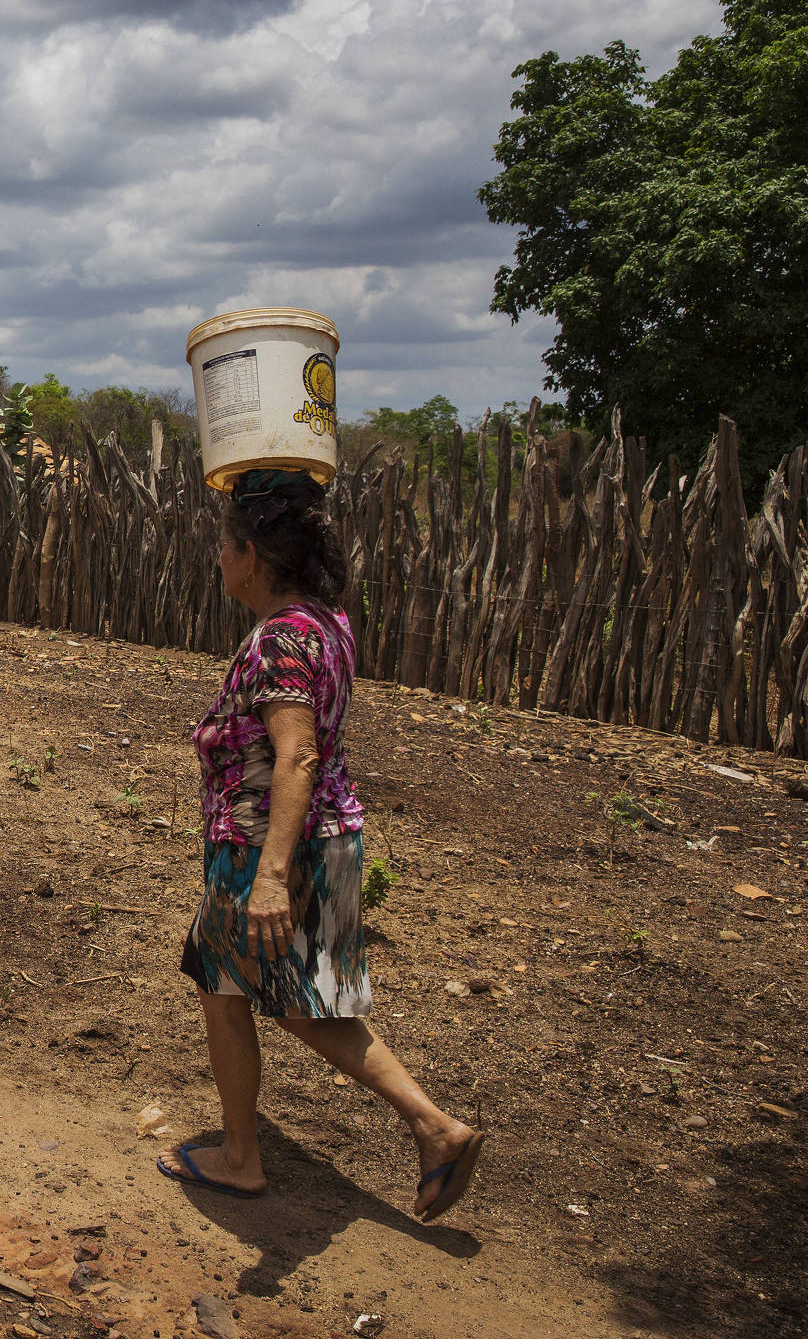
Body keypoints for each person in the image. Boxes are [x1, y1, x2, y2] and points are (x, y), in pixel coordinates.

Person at [158, 468, 484, 1221]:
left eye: (224, 548)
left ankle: (241, 1159)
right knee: (303, 1002)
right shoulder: (327, 622)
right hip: (331, 834)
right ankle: (435, 1128)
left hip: (272, 849)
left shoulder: (281, 640)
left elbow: (296, 753)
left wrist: (270, 874)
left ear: (252, 556)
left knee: (226, 987)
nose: (218, 563)